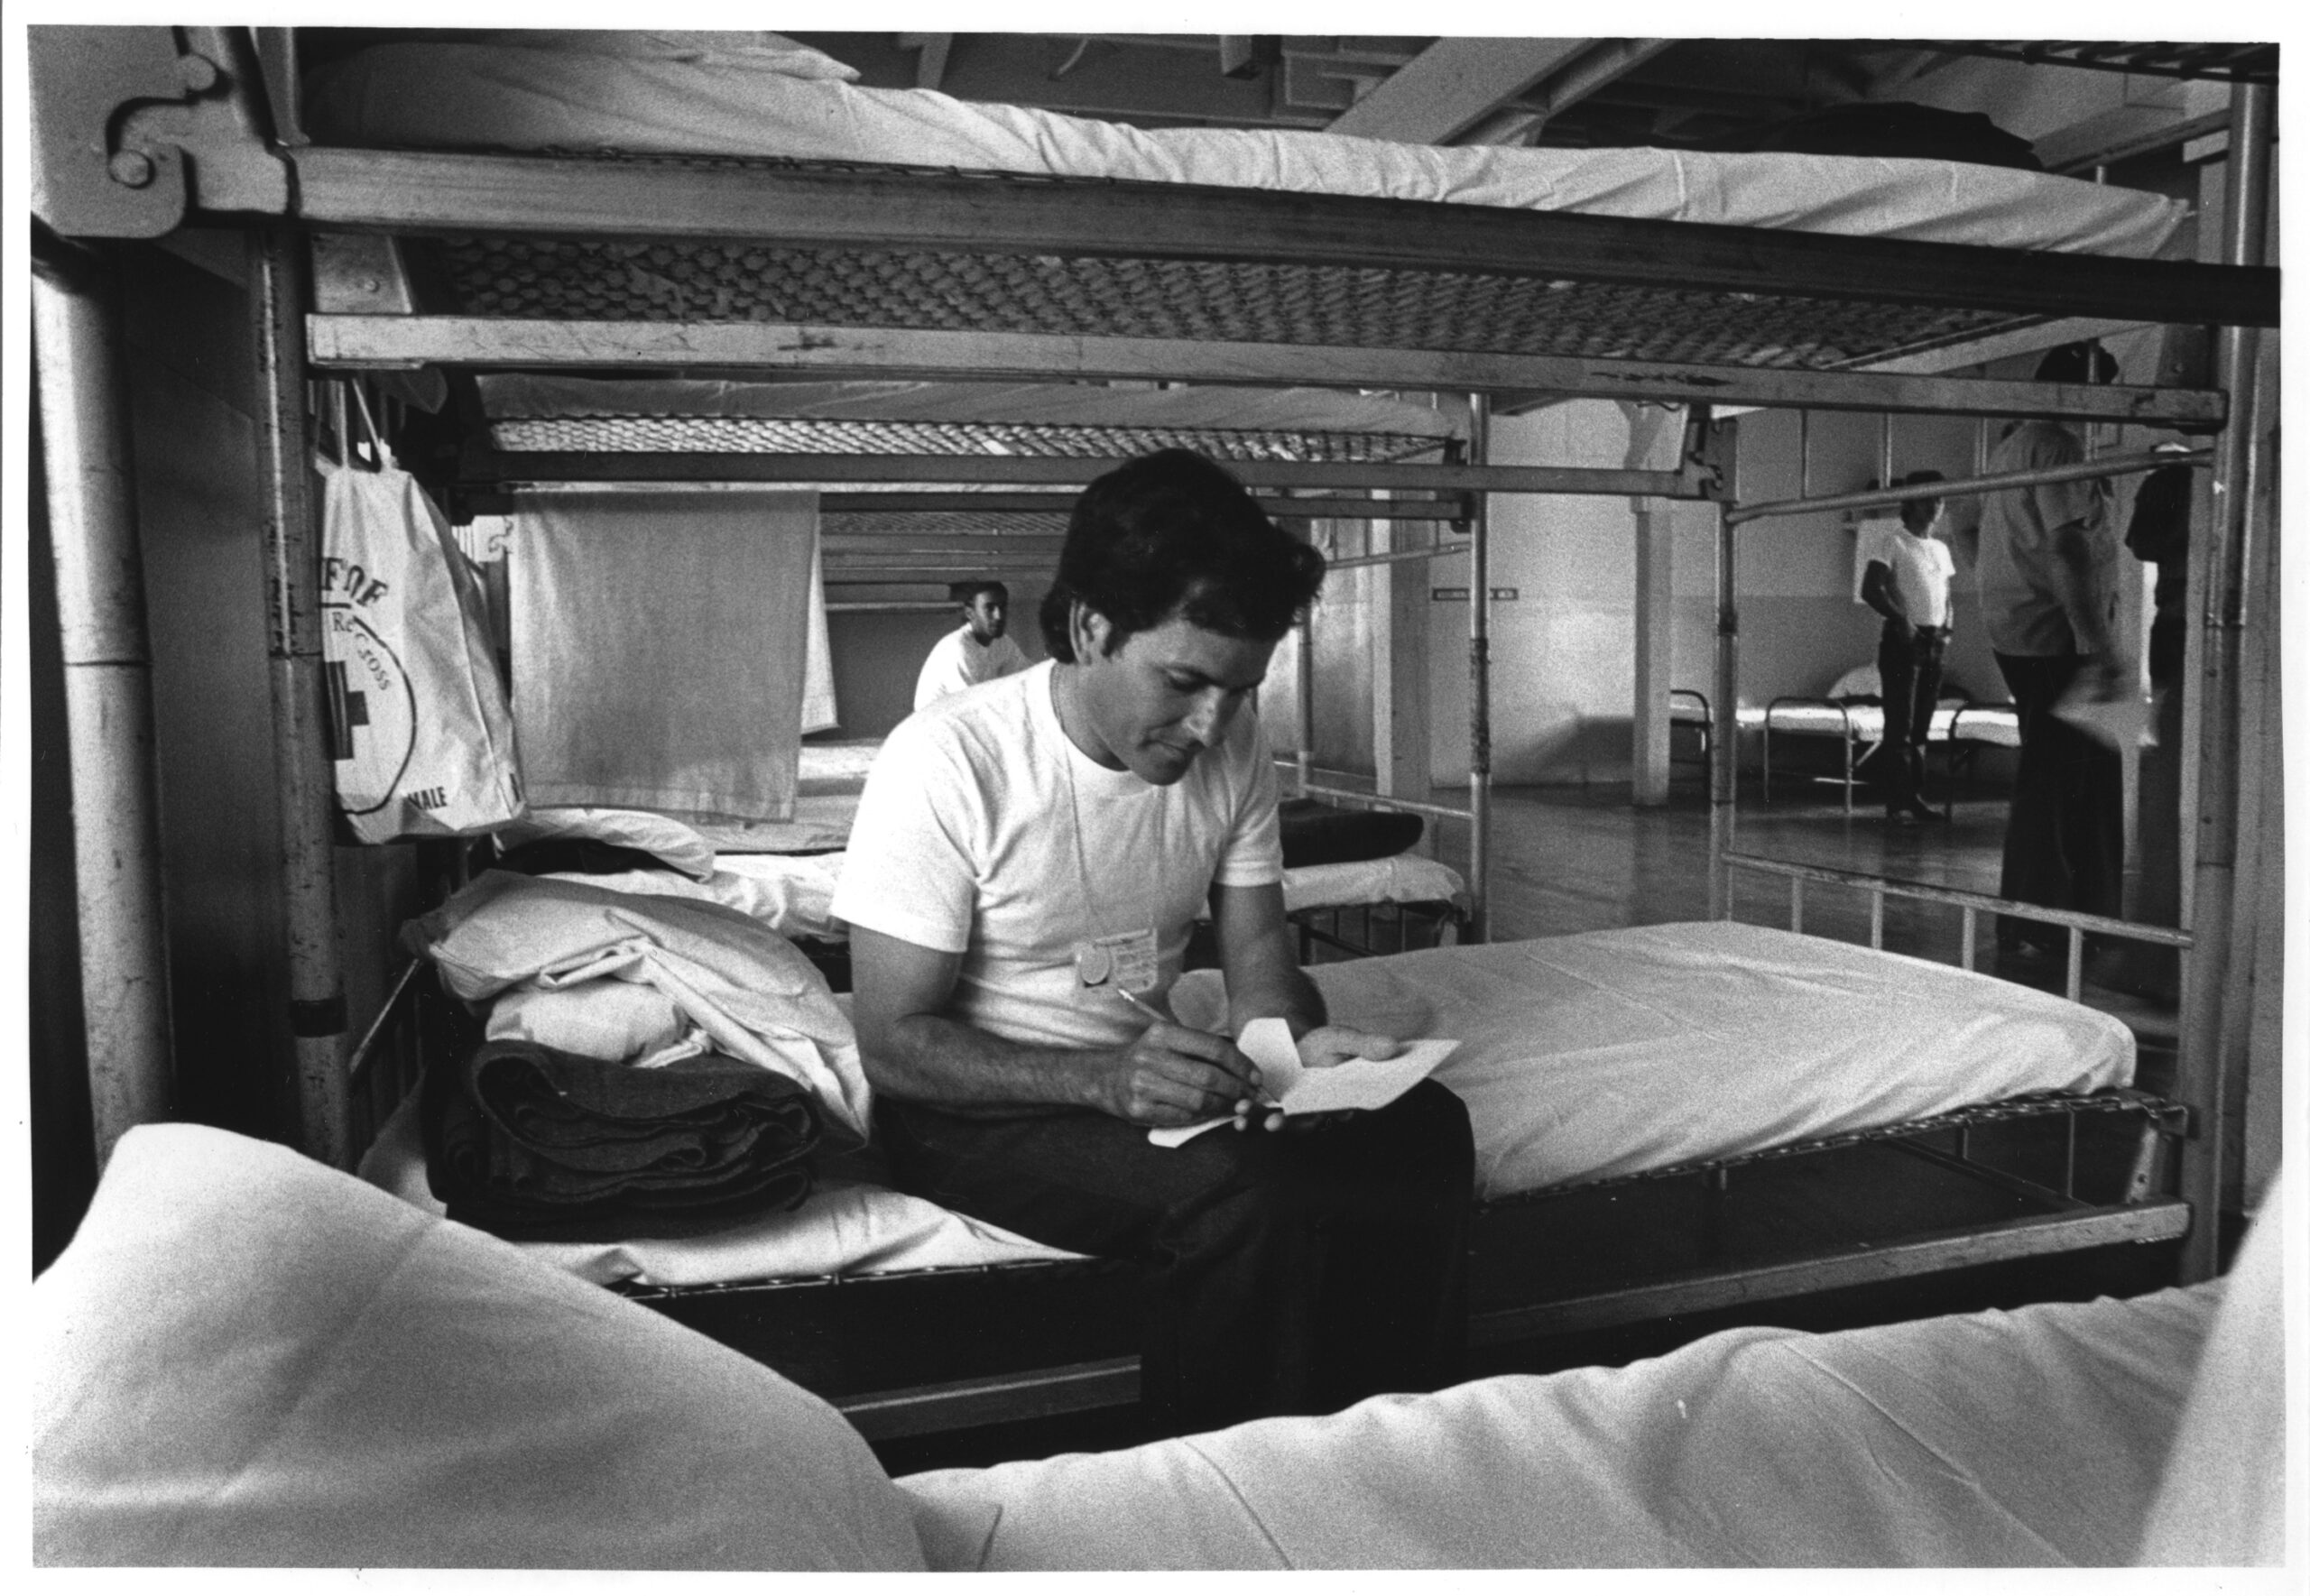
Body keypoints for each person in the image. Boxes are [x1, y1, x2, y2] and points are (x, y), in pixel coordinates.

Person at [831, 449, 1474, 1438]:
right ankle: (1234, 1488)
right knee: (1244, 1198)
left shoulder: (1233, 746)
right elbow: (894, 1043)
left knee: (1423, 1129)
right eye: (1183, 680)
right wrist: (1100, 1080)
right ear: (1091, 627)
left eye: (1241, 690)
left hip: (1138, 1082)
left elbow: (1263, 971)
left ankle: (1385, 1444)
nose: (1211, 724)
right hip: (975, 1104)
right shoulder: (950, 758)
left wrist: (1297, 1053)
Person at [1973, 341, 2126, 959]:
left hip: (2026, 632)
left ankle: (2075, 915)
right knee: (2063, 783)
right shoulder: (2057, 447)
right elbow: (2068, 551)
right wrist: (2099, 643)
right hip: (2062, 639)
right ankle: (2037, 923)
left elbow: (1967, 529)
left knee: (2077, 775)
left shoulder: (2012, 447)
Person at [1858, 470, 1956, 826]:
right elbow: (1872, 590)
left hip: (1934, 641)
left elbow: (1945, 593)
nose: (1936, 506)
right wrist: (1902, 621)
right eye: (1929, 498)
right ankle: (1898, 801)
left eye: (1941, 499)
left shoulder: (1940, 548)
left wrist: (1947, 628)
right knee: (1900, 723)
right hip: (1903, 642)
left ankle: (1913, 796)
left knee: (1921, 726)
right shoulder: (1892, 541)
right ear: (1911, 501)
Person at [911, 578, 1030, 709]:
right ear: (970, 613)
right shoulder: (959, 648)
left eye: (1002, 607)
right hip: (936, 727)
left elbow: (1029, 676)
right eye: (989, 608)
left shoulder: (1002, 643)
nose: (998, 616)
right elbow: (974, 710)